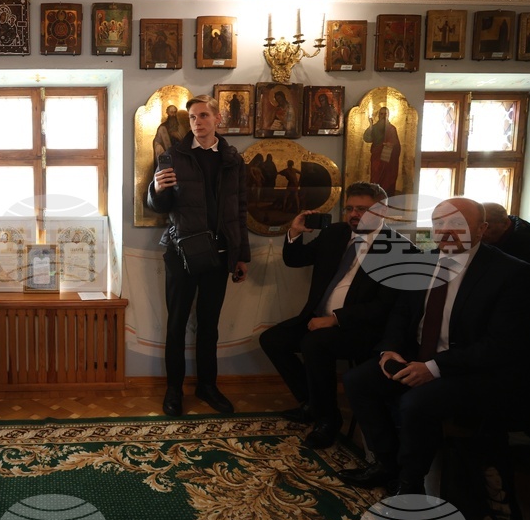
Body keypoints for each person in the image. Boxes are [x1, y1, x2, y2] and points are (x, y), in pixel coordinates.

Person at [337, 197, 530, 496]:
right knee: (358, 381)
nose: (446, 231)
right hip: (419, 357)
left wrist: (435, 368)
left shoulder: (511, 274)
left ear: (481, 229)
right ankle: (386, 463)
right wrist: (389, 349)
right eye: (439, 223)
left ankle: (410, 482)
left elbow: (501, 345)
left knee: (416, 403)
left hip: (472, 371)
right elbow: (401, 314)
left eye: (457, 223)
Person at [260, 182, 413, 448]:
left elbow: (383, 307)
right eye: (350, 208)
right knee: (272, 340)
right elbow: (296, 259)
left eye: (363, 209)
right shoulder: (337, 233)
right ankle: (310, 402)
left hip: (363, 329)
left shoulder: (397, 248)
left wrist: (336, 319)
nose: (355, 214)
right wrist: (294, 233)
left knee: (314, 344)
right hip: (318, 318)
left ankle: (328, 420)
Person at [147, 94, 250, 417]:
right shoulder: (172, 156)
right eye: (192, 117)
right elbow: (159, 208)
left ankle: (207, 386)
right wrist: (156, 190)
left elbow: (240, 210)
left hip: (219, 255)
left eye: (204, 115)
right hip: (182, 252)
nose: (198, 122)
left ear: (217, 119)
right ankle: (174, 391)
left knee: (209, 326)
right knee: (176, 325)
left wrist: (241, 254)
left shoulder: (233, 159)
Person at [362, 106, 401, 196]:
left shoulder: (392, 129)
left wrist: (391, 144)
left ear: (388, 115)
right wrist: (371, 126)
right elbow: (367, 139)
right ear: (378, 115)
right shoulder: (375, 127)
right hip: (377, 155)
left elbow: (397, 144)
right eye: (381, 114)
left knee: (387, 175)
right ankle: (375, 194)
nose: (383, 116)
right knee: (376, 173)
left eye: (385, 114)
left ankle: (387, 195)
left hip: (388, 157)